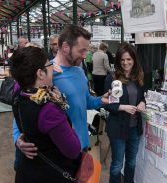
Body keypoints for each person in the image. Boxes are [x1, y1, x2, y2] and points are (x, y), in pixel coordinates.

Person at [14, 25, 110, 167]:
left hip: (82, 145)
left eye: (86, 50)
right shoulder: (43, 74)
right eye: (82, 50)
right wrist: (17, 139)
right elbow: (21, 105)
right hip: (58, 153)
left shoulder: (79, 72)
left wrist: (101, 100)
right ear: (65, 47)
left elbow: (85, 102)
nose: (85, 55)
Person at [11, 46, 81, 183]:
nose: (53, 68)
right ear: (40, 73)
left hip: (27, 171)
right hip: (50, 174)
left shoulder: (19, 95)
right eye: (50, 64)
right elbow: (73, 150)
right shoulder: (48, 110)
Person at [104, 42, 146, 183]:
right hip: (117, 128)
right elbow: (108, 104)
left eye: (128, 59)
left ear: (134, 60)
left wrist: (142, 103)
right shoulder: (113, 79)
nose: (125, 63)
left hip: (134, 127)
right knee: (117, 164)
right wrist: (123, 107)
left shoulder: (138, 77)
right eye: (122, 60)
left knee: (131, 162)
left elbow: (142, 97)